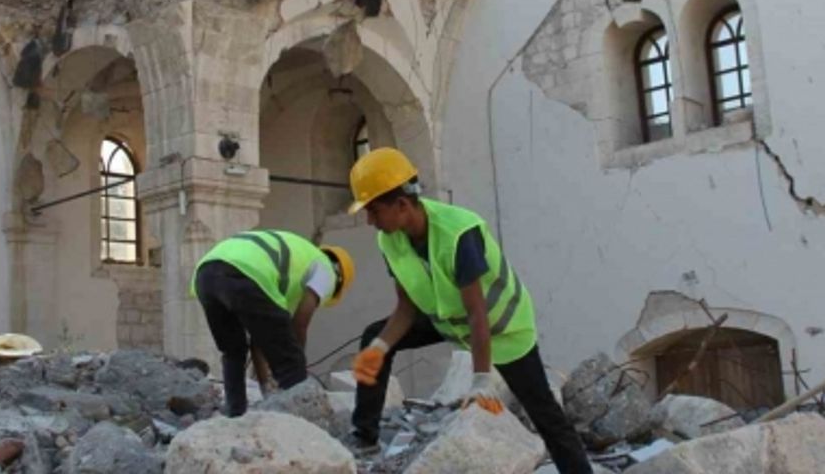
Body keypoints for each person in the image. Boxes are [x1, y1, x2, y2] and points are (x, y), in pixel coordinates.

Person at [347, 148, 592, 474]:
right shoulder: (390, 240)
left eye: (374, 211)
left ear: (403, 205)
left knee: (543, 411)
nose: (370, 221)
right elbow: (405, 308)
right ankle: (365, 436)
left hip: (503, 327)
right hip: (448, 320)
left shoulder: (459, 232)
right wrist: (379, 349)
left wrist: (480, 381)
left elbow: (478, 314)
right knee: (373, 337)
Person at [192, 229, 355, 417]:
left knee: (233, 351)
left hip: (205, 275)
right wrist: (296, 363)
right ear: (339, 279)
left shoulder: (296, 261)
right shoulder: (327, 269)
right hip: (246, 271)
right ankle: (300, 424)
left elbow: (260, 337)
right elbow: (301, 319)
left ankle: (235, 413)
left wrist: (265, 387)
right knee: (291, 361)